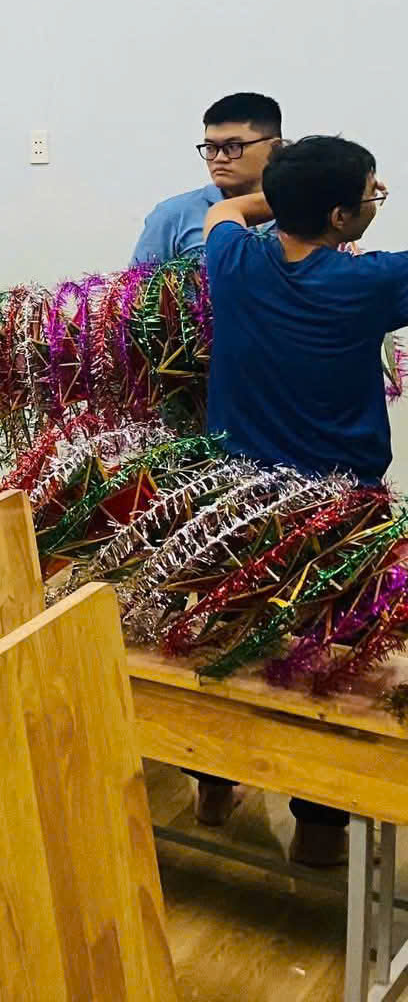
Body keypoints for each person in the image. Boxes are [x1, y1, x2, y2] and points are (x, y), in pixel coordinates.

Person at [200, 135, 407, 865]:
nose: (377, 203)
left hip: (235, 501)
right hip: (341, 511)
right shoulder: (369, 282)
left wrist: (281, 195)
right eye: (372, 195)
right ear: (342, 217)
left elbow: (225, 210)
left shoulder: (233, 261)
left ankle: (211, 786)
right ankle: (319, 831)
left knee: (222, 639)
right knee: (333, 660)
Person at [132, 92, 282, 264]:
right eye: (210, 147)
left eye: (233, 147)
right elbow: (140, 280)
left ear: (274, 148)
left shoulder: (301, 208)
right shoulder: (173, 215)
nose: (219, 158)